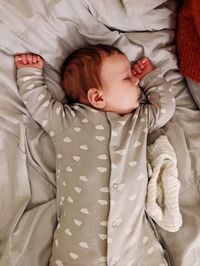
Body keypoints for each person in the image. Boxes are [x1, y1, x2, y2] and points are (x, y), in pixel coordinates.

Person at [15, 44, 175, 266]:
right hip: (78, 251)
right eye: (128, 78)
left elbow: (165, 108)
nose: (136, 82)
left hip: (136, 248)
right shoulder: (67, 122)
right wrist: (30, 75)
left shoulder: (138, 121)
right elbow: (41, 106)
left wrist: (150, 77)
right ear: (97, 96)